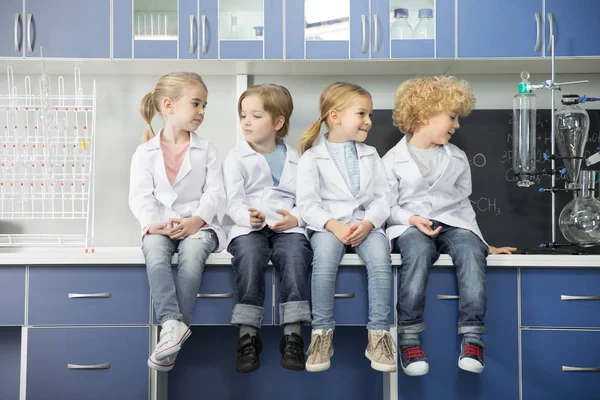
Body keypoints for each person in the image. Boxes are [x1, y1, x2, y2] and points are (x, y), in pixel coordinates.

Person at [383, 75, 516, 376]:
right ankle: (409, 337)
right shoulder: (392, 161)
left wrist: (483, 243)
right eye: (452, 117)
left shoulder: (457, 157)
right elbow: (386, 207)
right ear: (424, 115)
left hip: (452, 223)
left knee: (470, 252)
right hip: (411, 226)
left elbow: (463, 205)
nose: (457, 126)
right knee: (416, 253)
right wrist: (410, 219)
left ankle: (472, 337)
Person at [129, 72, 226, 372]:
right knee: (155, 254)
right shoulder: (144, 153)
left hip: (199, 226)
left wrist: (197, 221)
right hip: (161, 226)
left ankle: (170, 335)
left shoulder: (207, 149)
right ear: (169, 105)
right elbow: (140, 195)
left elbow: (216, 192)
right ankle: (173, 324)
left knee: (192, 256)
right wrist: (150, 223)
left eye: (204, 106)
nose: (201, 112)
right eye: (196, 104)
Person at [296, 82, 396, 373]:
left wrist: (368, 223)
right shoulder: (311, 157)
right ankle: (321, 335)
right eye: (362, 114)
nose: (368, 121)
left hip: (366, 225)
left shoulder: (371, 154)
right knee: (324, 262)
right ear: (335, 116)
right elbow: (307, 205)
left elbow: (382, 198)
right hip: (328, 227)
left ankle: (378, 336)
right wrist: (333, 225)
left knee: (380, 262)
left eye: (370, 115)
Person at [222, 84, 312, 373]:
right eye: (243, 115)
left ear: (278, 122)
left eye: (255, 115)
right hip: (249, 228)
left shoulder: (300, 159)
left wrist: (295, 219)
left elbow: (309, 201)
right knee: (249, 257)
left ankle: (293, 334)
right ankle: (247, 335)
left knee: (296, 256)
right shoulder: (235, 158)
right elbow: (232, 201)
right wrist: (248, 218)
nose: (246, 122)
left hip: (288, 228)